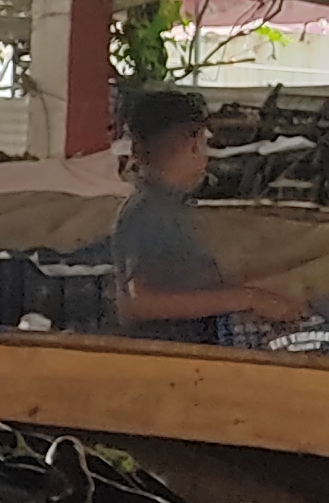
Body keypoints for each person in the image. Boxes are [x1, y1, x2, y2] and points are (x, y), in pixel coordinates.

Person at [112, 90, 308, 338]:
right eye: (204, 142)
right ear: (194, 145)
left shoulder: (161, 205)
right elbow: (140, 303)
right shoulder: (153, 212)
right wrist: (250, 299)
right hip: (169, 354)